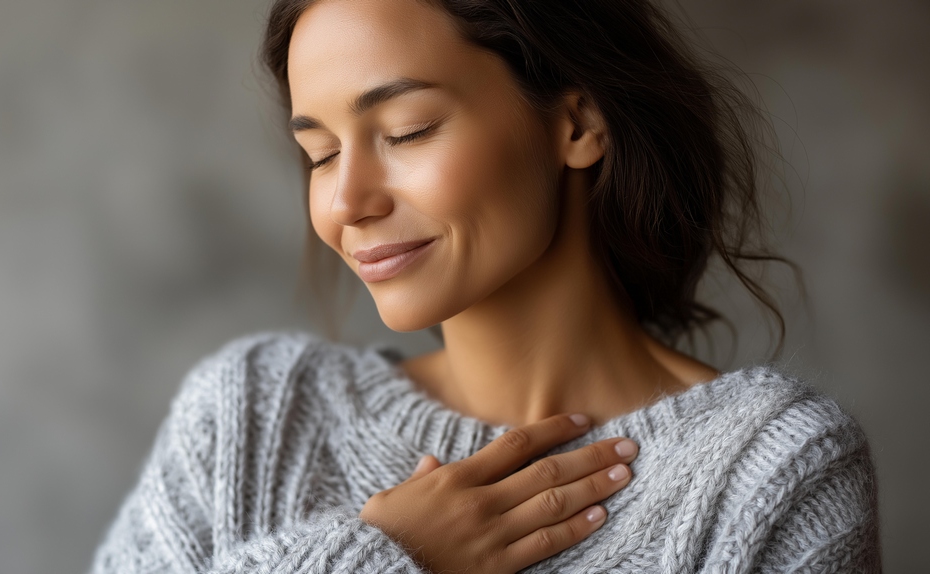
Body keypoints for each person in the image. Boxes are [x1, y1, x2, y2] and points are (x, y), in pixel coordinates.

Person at [90, 0, 881, 572]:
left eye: (406, 131)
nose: (345, 202)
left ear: (575, 124)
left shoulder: (773, 474)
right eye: (323, 152)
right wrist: (384, 557)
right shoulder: (252, 415)